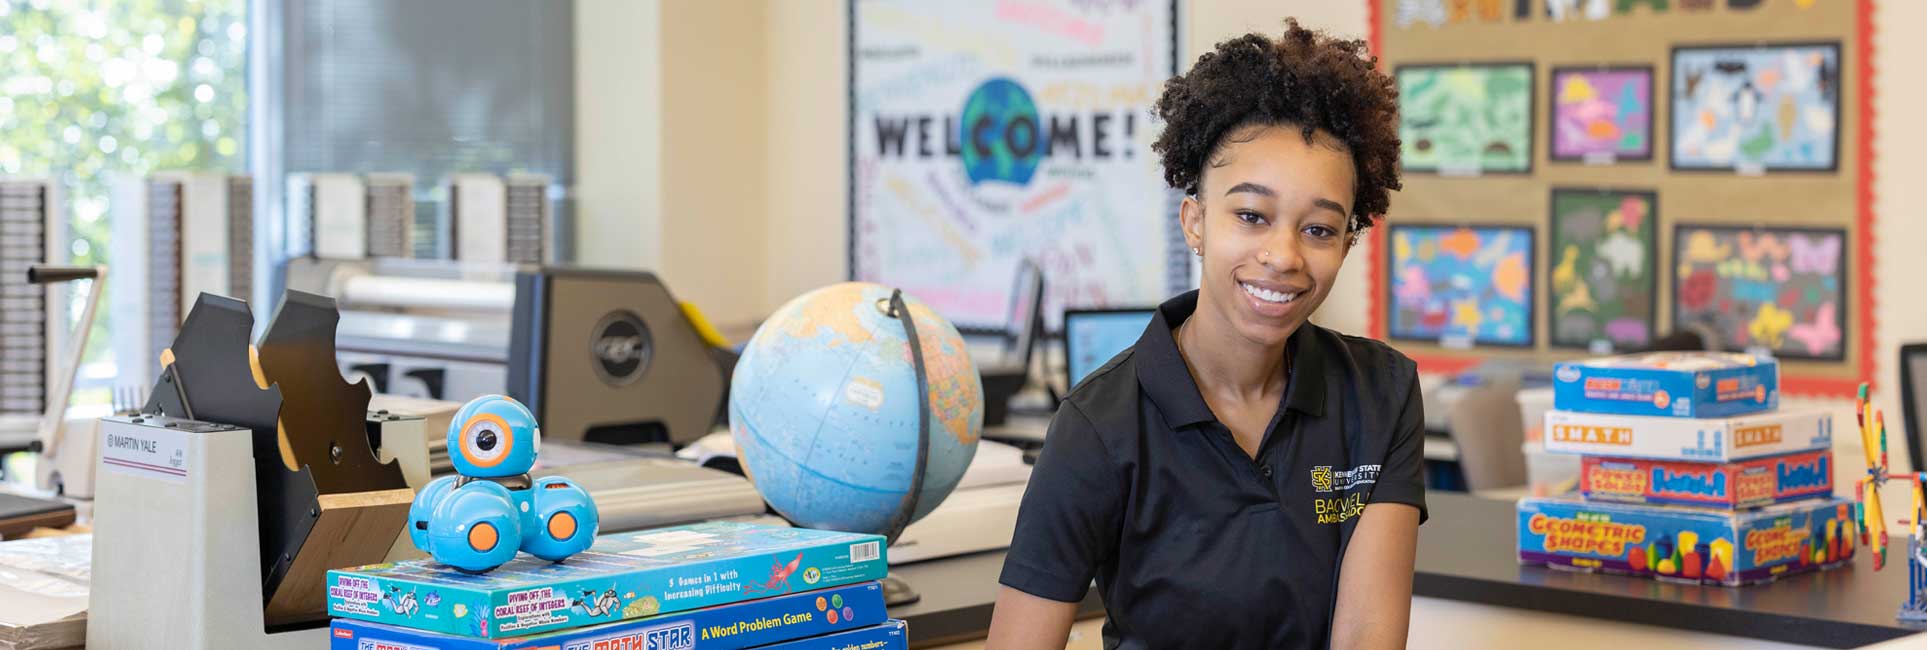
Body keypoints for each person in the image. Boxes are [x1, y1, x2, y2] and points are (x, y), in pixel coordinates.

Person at [986, 19, 1422, 649]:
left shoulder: (1382, 392)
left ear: (1348, 244)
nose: (1283, 255)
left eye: (1319, 230)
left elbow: (1365, 638)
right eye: (1250, 215)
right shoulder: (1098, 426)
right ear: (1196, 222)